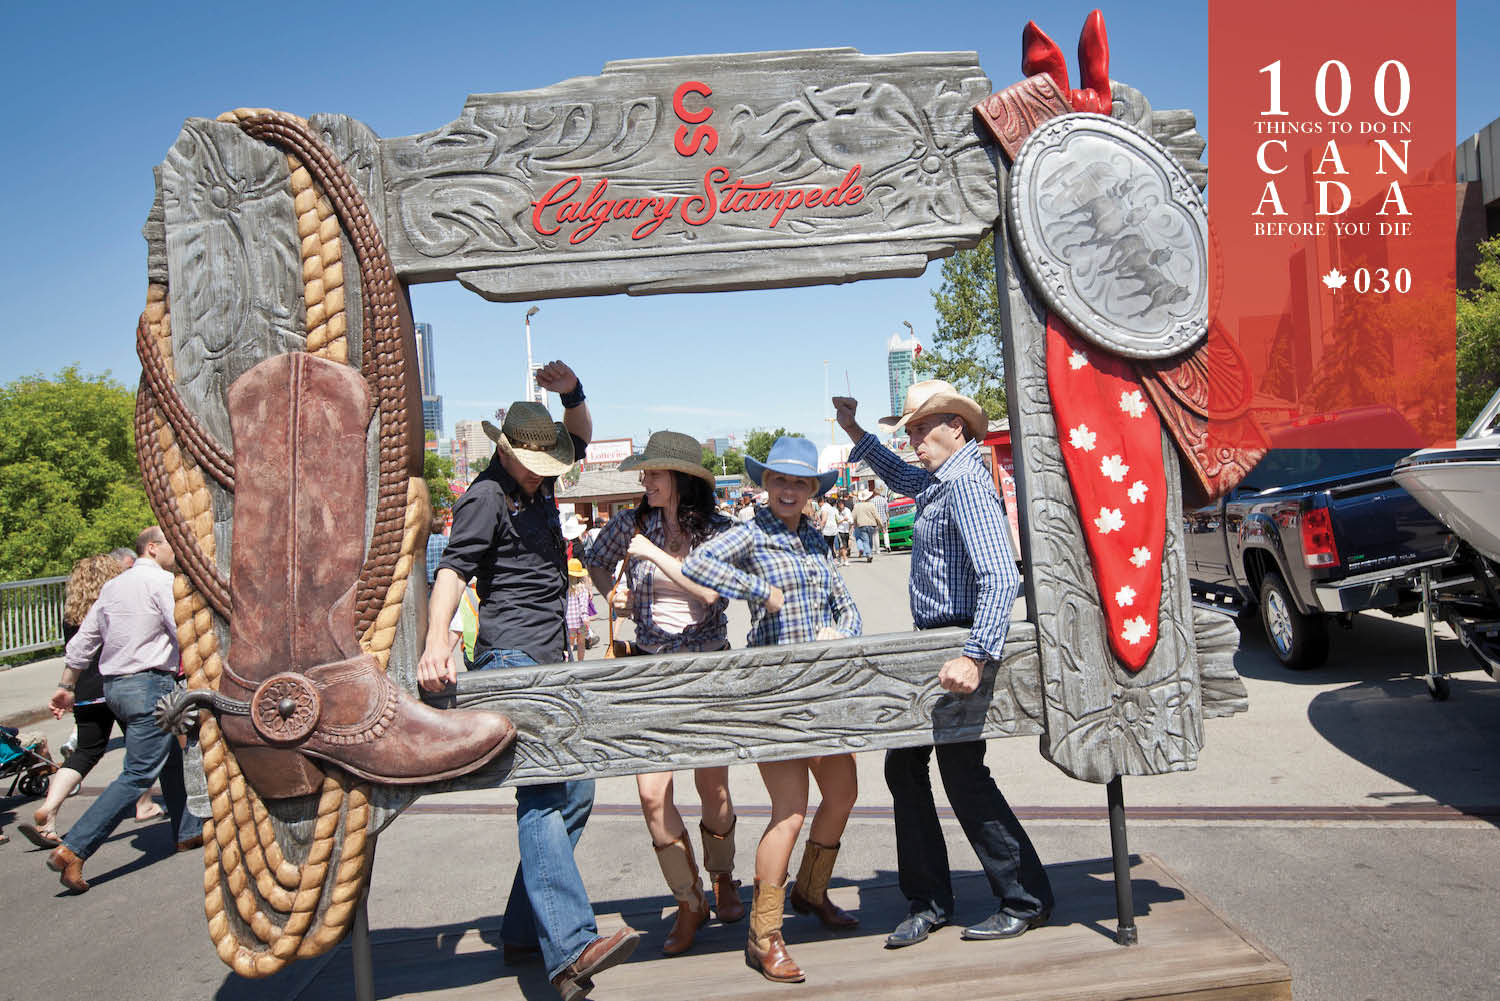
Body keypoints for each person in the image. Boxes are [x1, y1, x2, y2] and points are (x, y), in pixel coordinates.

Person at [417, 363, 638, 1001]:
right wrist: (438, 644)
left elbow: (582, 435)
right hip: (511, 659)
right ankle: (570, 949)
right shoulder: (485, 495)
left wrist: (571, 392)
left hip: (549, 661)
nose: (548, 473)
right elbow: (454, 571)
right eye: (536, 464)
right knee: (543, 795)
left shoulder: (535, 489)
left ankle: (521, 928)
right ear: (508, 452)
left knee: (578, 794)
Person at [834, 381, 1053, 948]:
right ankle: (934, 900)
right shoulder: (941, 479)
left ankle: (1018, 897)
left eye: (918, 428)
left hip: (956, 644)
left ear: (955, 426)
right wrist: (857, 433)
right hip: (938, 644)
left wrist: (976, 654)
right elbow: (902, 476)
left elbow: (1001, 576)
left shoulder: (967, 486)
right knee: (911, 770)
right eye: (907, 429)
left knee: (956, 773)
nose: (911, 440)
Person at [682, 435, 862, 985]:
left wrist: (843, 630)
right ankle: (765, 934)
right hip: (774, 695)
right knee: (789, 810)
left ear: (812, 490)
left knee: (844, 794)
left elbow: (846, 604)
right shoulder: (749, 531)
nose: (788, 490)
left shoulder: (814, 538)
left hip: (821, 689)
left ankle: (810, 892)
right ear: (766, 484)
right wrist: (759, 591)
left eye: (799, 482)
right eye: (780, 480)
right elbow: (698, 563)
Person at [583, 430, 744, 956]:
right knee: (652, 794)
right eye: (644, 472)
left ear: (680, 479)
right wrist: (614, 592)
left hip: (705, 667)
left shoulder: (719, 530)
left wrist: (650, 552)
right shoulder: (630, 522)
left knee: (713, 790)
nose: (644, 480)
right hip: (650, 669)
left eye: (652, 472)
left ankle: (723, 877)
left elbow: (711, 591)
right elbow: (594, 560)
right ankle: (688, 900)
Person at [43, 526, 197, 893]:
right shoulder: (161, 583)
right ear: (155, 548)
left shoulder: (113, 587)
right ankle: (75, 848)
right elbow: (181, 630)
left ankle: (188, 831)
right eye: (172, 546)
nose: (177, 553)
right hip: (151, 685)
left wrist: (66, 686)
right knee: (139, 773)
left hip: (118, 688)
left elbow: (82, 644)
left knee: (170, 759)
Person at [19, 553, 161, 849]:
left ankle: (50, 809)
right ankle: (144, 804)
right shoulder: (115, 604)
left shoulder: (71, 614)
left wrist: (66, 686)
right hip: (118, 683)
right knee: (142, 748)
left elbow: (75, 654)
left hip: (84, 691)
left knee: (85, 752)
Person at [564, 558, 592, 663]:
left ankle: (569, 662)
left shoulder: (566, 588)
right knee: (581, 643)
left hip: (569, 621)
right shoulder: (582, 589)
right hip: (581, 622)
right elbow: (583, 607)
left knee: (570, 644)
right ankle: (580, 662)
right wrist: (586, 619)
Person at [852, 491, 880, 563]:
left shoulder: (857, 506)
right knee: (870, 540)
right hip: (871, 525)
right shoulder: (871, 505)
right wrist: (881, 524)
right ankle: (869, 552)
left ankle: (868, 554)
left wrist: (854, 524)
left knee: (865, 540)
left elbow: (853, 516)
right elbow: (876, 516)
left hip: (861, 525)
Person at [816, 492, 840, 565]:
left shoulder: (824, 507)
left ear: (821, 502)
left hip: (827, 529)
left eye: (818, 503)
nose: (818, 505)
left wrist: (820, 527)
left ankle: (827, 560)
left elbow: (824, 519)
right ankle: (834, 560)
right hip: (833, 529)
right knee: (830, 545)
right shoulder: (830, 507)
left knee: (825, 545)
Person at [425, 515, 449, 585]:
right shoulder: (446, 541)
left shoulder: (425, 541)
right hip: (442, 577)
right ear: (442, 528)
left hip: (428, 578)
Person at [835, 499, 854, 566]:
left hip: (846, 530)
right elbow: (837, 522)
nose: (841, 505)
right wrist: (843, 520)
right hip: (839, 530)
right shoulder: (836, 511)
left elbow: (851, 520)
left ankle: (839, 558)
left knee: (845, 547)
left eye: (842, 504)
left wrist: (850, 524)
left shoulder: (847, 510)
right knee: (843, 546)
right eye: (840, 504)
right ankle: (845, 560)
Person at [873, 487, 891, 552]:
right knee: (885, 532)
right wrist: (888, 520)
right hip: (883, 519)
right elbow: (887, 511)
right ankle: (887, 545)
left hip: (875, 520)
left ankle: (877, 550)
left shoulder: (872, 501)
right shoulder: (884, 500)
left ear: (874, 493)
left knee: (876, 534)